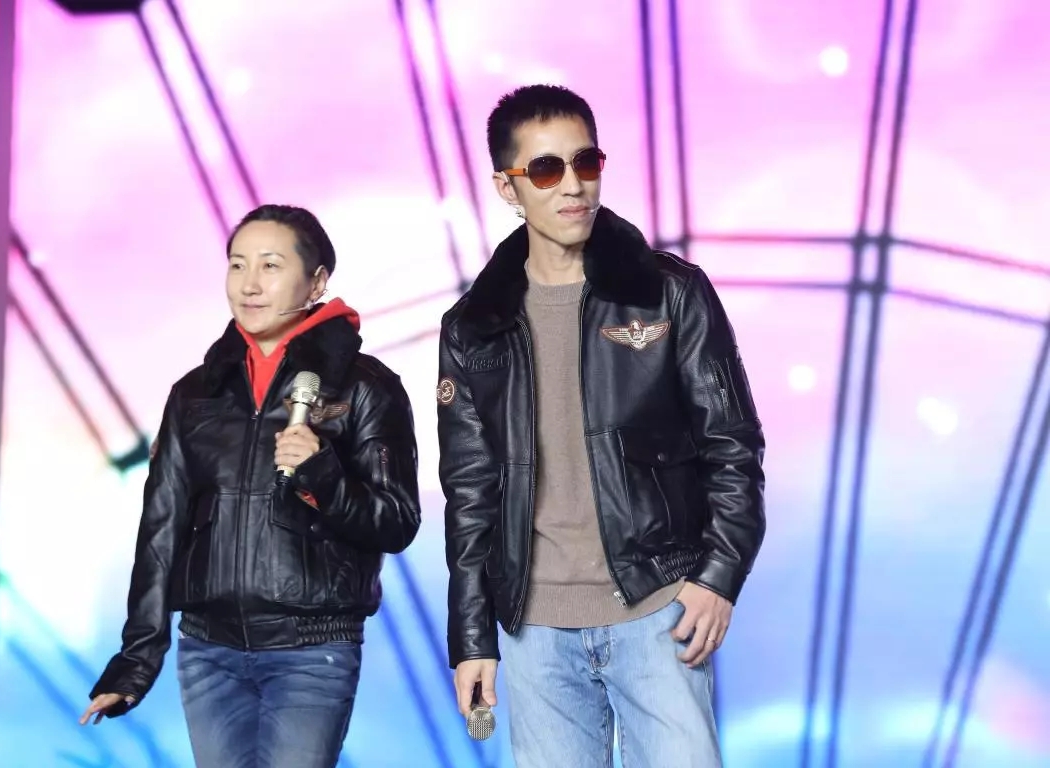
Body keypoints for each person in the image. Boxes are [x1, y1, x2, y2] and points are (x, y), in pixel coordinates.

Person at [437, 84, 766, 767]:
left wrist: (717, 577)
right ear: (507, 187)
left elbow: (733, 445)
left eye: (586, 162)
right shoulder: (473, 327)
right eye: (547, 169)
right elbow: (469, 492)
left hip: (658, 610)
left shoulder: (669, 292)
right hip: (534, 631)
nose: (573, 185)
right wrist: (471, 637)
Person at [80, 204, 422, 768]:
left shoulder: (365, 388)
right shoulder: (196, 393)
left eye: (270, 265)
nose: (250, 284)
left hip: (312, 649)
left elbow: (397, 521)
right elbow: (162, 528)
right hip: (207, 651)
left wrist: (322, 475)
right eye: (238, 265)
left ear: (317, 282)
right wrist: (135, 662)